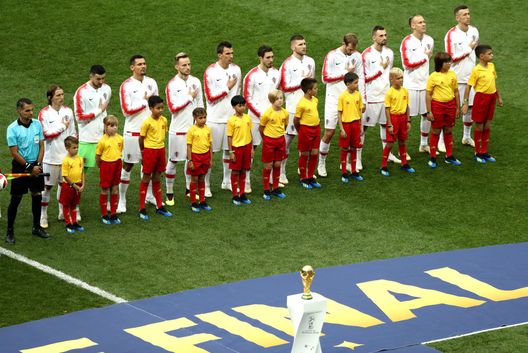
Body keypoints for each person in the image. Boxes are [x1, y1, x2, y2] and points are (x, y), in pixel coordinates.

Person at [319, 33, 364, 177]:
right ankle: (321, 163)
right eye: (349, 49)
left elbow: (360, 78)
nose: (351, 52)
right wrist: (345, 73)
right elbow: (325, 78)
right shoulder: (332, 56)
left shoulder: (357, 56)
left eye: (353, 49)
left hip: (351, 101)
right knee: (329, 132)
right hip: (333, 99)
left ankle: (347, 163)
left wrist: (363, 100)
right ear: (343, 44)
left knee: (351, 133)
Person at [118, 54, 159, 213]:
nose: (143, 66)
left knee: (149, 166)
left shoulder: (152, 83)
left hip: (150, 134)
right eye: (139, 64)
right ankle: (122, 200)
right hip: (133, 133)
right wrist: (144, 102)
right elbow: (126, 111)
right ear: (132, 67)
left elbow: (156, 106)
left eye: (144, 63)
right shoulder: (126, 85)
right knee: (128, 166)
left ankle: (149, 195)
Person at [6, 98, 49, 243]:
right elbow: (14, 152)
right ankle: (10, 231)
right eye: (27, 110)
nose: (31, 113)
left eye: (32, 109)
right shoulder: (12, 128)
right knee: (16, 198)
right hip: (21, 167)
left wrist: (37, 164)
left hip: (36, 164)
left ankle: (36, 227)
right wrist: (29, 167)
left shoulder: (37, 124)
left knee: (37, 195)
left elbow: (42, 146)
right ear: (19, 111)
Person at [165, 52, 204, 205]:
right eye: (184, 65)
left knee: (191, 161)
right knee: (173, 161)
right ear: (177, 67)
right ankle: (169, 193)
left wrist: (201, 122)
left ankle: (189, 189)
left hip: (193, 130)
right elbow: (172, 108)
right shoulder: (172, 85)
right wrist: (189, 97)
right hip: (178, 130)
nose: (187, 67)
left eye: (189, 64)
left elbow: (200, 104)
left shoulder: (196, 81)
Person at [73, 64, 111, 220]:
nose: (101, 81)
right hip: (87, 140)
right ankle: (74, 207)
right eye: (98, 78)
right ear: (91, 76)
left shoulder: (107, 89)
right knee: (79, 176)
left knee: (107, 172)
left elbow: (105, 113)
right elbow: (79, 117)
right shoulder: (81, 92)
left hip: (104, 139)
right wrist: (99, 110)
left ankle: (108, 203)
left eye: (103, 78)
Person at [203, 41, 242, 194]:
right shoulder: (210, 71)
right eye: (227, 54)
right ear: (219, 55)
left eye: (232, 53)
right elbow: (210, 97)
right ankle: (205, 185)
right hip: (215, 119)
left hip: (231, 119)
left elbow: (238, 94)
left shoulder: (236, 70)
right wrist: (227, 87)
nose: (231, 56)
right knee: (210, 153)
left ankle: (226, 182)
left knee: (229, 151)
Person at [360, 25, 400, 171]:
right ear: (374, 37)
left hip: (386, 96)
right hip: (371, 97)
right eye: (381, 36)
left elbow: (390, 75)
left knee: (386, 125)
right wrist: (380, 68)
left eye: (385, 35)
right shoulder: (366, 55)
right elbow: (363, 78)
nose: (384, 38)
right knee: (363, 128)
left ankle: (388, 154)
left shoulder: (389, 52)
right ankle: (357, 158)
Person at [243, 45, 280, 192]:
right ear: (260, 58)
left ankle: (272, 179)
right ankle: (246, 181)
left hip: (273, 119)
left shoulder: (276, 73)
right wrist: (261, 114)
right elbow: (247, 98)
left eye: (272, 57)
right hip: (256, 118)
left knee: (273, 149)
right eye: (268, 57)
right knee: (251, 149)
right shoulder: (251, 76)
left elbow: (278, 94)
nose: (271, 60)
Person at [279, 34, 316, 184]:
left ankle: (305, 171)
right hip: (293, 108)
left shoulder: (310, 61)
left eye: (305, 43)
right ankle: (281, 172)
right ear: (293, 47)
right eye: (300, 44)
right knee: (287, 141)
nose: (304, 46)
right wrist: (301, 82)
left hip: (309, 109)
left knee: (307, 142)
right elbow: (284, 87)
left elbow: (312, 85)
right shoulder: (287, 64)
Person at [39, 85, 77, 229]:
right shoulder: (44, 113)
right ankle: (43, 215)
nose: (61, 98)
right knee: (47, 187)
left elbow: (73, 132)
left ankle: (62, 211)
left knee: (64, 185)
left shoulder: (68, 111)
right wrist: (62, 127)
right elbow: (46, 134)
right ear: (50, 98)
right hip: (51, 157)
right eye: (58, 95)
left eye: (62, 94)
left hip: (66, 157)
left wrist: (74, 150)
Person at [445, 4, 480, 147]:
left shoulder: (474, 31)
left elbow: (475, 53)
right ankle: (442, 140)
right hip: (456, 78)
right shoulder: (451, 34)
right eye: (464, 14)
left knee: (470, 108)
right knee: (451, 111)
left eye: (468, 13)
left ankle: (466, 136)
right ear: (457, 17)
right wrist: (468, 49)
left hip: (471, 78)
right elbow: (450, 57)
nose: (468, 16)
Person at [462, 44, 503, 163]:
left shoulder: (491, 66)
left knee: (487, 125)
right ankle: (478, 152)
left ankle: (484, 151)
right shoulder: (476, 70)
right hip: (481, 99)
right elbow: (468, 86)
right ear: (482, 56)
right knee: (479, 125)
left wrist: (499, 97)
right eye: (489, 53)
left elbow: (494, 82)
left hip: (491, 98)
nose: (492, 55)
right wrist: (465, 102)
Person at [400, 15, 434, 153]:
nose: (423, 24)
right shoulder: (407, 42)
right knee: (406, 118)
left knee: (426, 114)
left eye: (424, 21)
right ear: (413, 26)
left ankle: (424, 144)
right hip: (411, 86)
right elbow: (406, 65)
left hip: (425, 85)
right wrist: (425, 57)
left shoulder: (429, 40)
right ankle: (402, 150)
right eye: (420, 22)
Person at [425, 52, 462, 168]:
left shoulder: (452, 75)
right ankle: (432, 157)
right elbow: (428, 95)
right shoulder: (433, 77)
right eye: (446, 62)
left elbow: (456, 91)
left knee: (448, 130)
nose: (449, 64)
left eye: (449, 61)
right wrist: (429, 111)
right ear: (440, 64)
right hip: (437, 106)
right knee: (435, 131)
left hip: (450, 105)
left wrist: (458, 107)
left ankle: (449, 156)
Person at [138, 96, 172, 220]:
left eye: (162, 108)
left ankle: (159, 206)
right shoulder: (147, 122)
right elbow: (141, 138)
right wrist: (143, 152)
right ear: (151, 108)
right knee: (146, 178)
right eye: (158, 108)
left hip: (160, 150)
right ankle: (142, 208)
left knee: (157, 177)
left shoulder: (164, 120)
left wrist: (164, 152)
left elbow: (163, 137)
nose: (161, 110)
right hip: (150, 151)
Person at [380, 68, 415, 176]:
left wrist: (408, 120)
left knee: (402, 141)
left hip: (403, 118)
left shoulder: (405, 91)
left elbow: (407, 106)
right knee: (390, 143)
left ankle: (404, 163)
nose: (401, 80)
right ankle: (383, 166)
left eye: (402, 78)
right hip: (394, 119)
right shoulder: (389, 93)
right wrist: (389, 124)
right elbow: (387, 109)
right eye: (398, 78)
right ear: (391, 79)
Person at [259, 89, 288, 200]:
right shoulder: (267, 113)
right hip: (269, 142)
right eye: (277, 99)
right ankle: (266, 190)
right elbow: (261, 128)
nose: (280, 101)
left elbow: (284, 126)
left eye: (281, 98)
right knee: (268, 166)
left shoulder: (285, 113)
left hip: (280, 141)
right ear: (272, 101)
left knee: (277, 165)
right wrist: (266, 139)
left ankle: (275, 188)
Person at [337, 72, 365, 183]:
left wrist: (361, 125)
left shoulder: (358, 94)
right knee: (344, 149)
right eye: (355, 83)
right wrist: (341, 128)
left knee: (354, 148)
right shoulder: (342, 97)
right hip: (346, 125)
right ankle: (344, 172)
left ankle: (353, 171)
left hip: (355, 125)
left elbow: (360, 111)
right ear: (348, 84)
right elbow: (339, 113)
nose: (357, 85)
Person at [96, 115, 123, 225]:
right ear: (105, 127)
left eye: (115, 125)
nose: (114, 128)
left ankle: (113, 213)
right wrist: (101, 167)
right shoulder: (102, 141)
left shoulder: (120, 139)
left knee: (115, 188)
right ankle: (104, 214)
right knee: (105, 189)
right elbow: (98, 156)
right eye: (111, 126)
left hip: (117, 164)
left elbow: (120, 151)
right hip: (106, 166)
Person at [226, 95, 253, 205]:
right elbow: (229, 137)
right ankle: (235, 195)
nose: (242, 108)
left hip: (247, 147)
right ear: (234, 107)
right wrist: (231, 152)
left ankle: (242, 193)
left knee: (244, 170)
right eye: (239, 106)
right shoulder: (231, 120)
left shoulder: (247, 118)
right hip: (237, 148)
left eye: (244, 105)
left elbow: (250, 133)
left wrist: (252, 148)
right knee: (236, 171)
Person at [295, 78, 321, 189]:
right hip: (305, 130)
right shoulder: (301, 104)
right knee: (305, 154)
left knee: (314, 153)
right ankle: (303, 178)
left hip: (316, 129)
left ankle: (310, 176)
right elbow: (296, 120)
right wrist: (300, 130)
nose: (317, 90)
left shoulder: (315, 100)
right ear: (309, 91)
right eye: (315, 88)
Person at [186, 107, 213, 213]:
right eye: (200, 118)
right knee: (194, 179)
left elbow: (210, 145)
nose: (203, 120)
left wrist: (211, 158)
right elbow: (189, 146)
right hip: (196, 157)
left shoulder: (208, 129)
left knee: (202, 179)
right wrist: (190, 160)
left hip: (205, 157)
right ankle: (193, 202)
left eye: (205, 117)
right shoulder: (191, 130)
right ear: (195, 118)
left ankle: (202, 201)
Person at [60, 136, 85, 234]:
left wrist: (83, 184)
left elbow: (82, 172)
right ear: (67, 148)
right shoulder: (66, 161)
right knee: (67, 205)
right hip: (68, 187)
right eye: (74, 148)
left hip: (78, 185)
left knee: (74, 205)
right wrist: (75, 186)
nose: (76, 149)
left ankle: (74, 222)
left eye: (77, 147)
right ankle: (68, 223)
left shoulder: (80, 159)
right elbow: (65, 176)